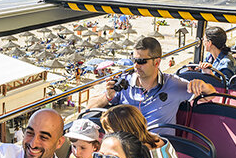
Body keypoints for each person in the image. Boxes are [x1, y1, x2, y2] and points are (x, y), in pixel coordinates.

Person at [88, 37, 216, 128]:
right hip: (126, 148)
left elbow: (212, 95)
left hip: (156, 150)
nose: (136, 66)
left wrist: (203, 86)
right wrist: (107, 97)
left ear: (157, 62)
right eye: (134, 60)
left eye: (142, 61)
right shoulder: (124, 83)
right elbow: (90, 106)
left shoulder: (173, 84)